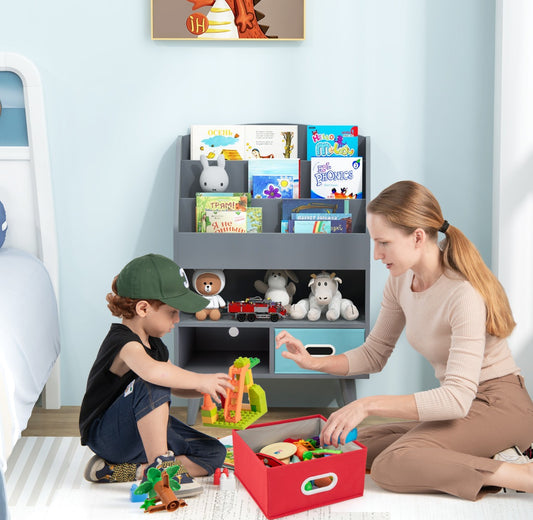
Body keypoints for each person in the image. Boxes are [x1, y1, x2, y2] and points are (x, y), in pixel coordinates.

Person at [276, 180, 533, 500]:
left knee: (393, 464)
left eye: (383, 242)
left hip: (498, 406)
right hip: (461, 408)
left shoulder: (462, 294)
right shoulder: (400, 282)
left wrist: (367, 404)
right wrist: (314, 361)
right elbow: (374, 353)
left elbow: (456, 398)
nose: (376, 254)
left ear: (418, 237)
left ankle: (523, 474)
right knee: (349, 443)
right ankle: (487, 458)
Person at [79, 253, 232, 495]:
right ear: (143, 308)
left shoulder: (156, 345)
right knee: (151, 381)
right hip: (108, 435)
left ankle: (127, 471)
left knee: (214, 453)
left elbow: (173, 381)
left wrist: (208, 387)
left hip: (140, 434)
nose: (178, 319)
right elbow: (153, 374)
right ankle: (161, 466)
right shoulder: (124, 343)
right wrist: (201, 379)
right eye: (172, 312)